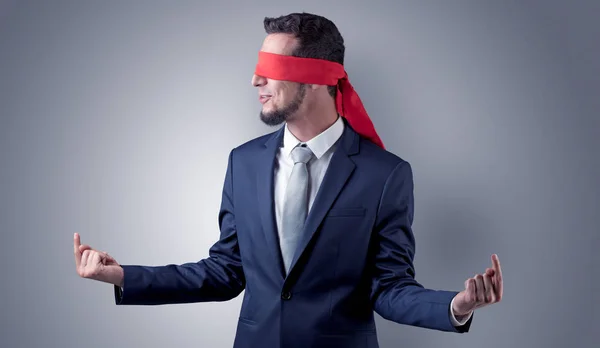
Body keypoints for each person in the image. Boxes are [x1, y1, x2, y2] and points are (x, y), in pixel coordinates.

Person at [73, 12, 503, 348]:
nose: (255, 79)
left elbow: (388, 287)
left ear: (317, 78)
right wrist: (123, 276)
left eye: (271, 67)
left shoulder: (386, 174)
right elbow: (225, 271)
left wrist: (455, 306)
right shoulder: (244, 163)